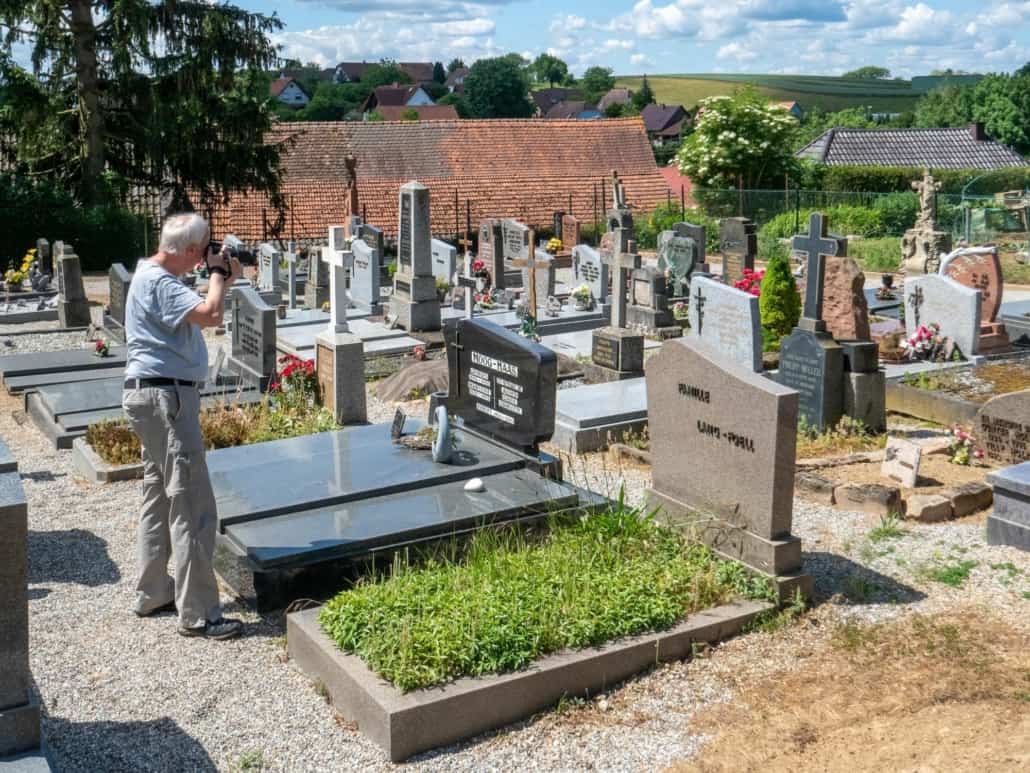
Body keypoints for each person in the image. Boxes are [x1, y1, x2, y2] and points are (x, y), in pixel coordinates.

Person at [122, 213, 243, 640]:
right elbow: (210, 315)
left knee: (157, 496)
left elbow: (204, 309)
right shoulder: (161, 282)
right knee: (191, 503)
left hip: (150, 398)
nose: (205, 257)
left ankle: (153, 591)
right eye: (204, 250)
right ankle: (200, 613)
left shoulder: (150, 275)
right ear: (191, 252)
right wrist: (215, 276)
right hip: (168, 398)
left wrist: (224, 279)